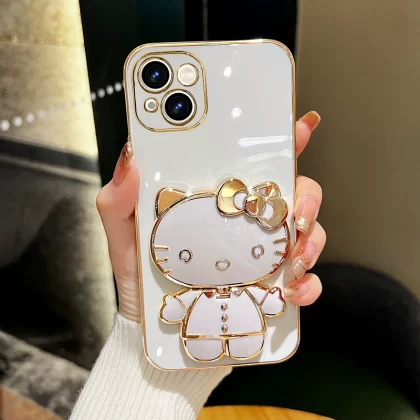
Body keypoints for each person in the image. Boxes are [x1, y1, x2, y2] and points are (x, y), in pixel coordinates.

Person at [70, 111, 325, 420]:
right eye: (187, 254)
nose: (222, 258)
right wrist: (147, 322)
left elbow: (267, 302)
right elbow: (175, 308)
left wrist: (274, 297)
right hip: (199, 339)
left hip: (244, 333)